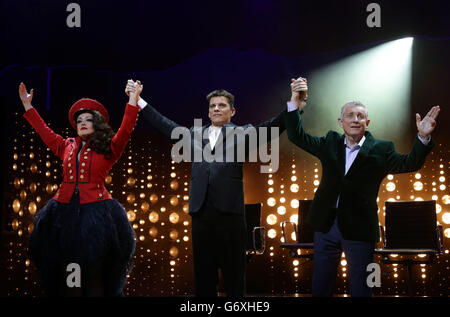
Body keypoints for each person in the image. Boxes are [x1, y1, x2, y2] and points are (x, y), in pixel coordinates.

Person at [125, 80, 285, 296]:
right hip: (201, 213)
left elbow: (271, 128)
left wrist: (293, 106)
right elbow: (165, 125)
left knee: (235, 278)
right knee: (203, 277)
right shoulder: (194, 134)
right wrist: (139, 101)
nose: (216, 109)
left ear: (232, 111)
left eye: (221, 105)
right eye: (212, 106)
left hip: (230, 214)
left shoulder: (242, 133)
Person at [284, 76, 440, 297]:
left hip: (360, 227)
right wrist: (294, 104)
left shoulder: (382, 149)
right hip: (325, 224)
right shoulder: (330, 142)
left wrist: (423, 137)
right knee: (320, 285)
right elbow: (296, 136)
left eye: (361, 116)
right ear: (341, 122)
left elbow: (410, 163)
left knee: (363, 285)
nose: (355, 119)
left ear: (367, 122)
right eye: (350, 116)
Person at [19, 81, 143, 296]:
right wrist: (28, 106)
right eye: (79, 120)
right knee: (68, 273)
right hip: (63, 214)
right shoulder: (66, 145)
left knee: (93, 273)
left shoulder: (109, 147)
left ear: (98, 124)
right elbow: (44, 131)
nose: (83, 123)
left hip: (96, 214)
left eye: (88, 119)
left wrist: (133, 98)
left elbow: (126, 128)